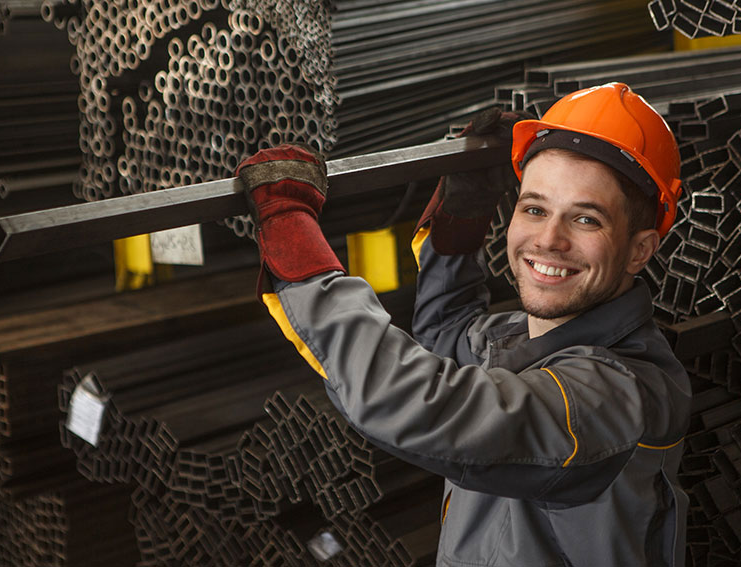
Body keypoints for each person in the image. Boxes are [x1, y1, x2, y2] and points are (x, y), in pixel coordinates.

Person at [236, 82, 691, 566]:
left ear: (640, 250)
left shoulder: (617, 396)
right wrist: (462, 215)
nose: (548, 240)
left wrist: (294, 237)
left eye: (586, 220)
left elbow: (416, 404)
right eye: (534, 209)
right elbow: (444, 334)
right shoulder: (526, 338)